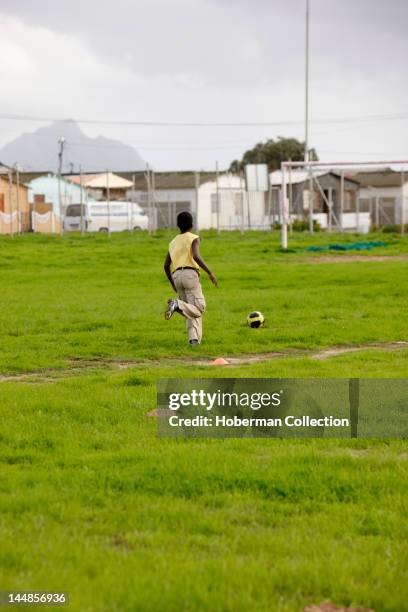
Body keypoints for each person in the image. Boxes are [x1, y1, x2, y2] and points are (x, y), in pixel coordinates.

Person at [164, 211, 217, 345]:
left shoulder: (172, 242)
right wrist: (210, 272)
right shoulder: (193, 238)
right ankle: (177, 304)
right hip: (190, 275)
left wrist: (172, 283)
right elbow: (196, 256)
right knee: (199, 309)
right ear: (192, 224)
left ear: (178, 225)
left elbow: (166, 265)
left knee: (189, 310)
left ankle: (194, 340)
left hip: (176, 275)